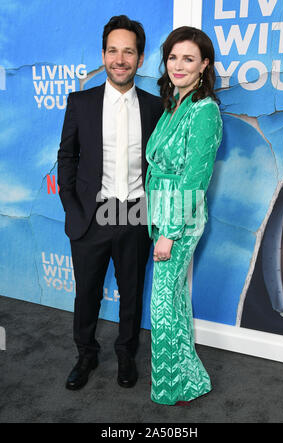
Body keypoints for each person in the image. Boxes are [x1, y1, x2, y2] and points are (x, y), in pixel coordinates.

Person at [57, 15, 163, 391]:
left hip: (135, 213)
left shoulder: (155, 107)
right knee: (86, 292)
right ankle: (85, 353)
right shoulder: (80, 102)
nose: (120, 59)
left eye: (128, 51)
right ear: (103, 55)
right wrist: (72, 205)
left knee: (131, 293)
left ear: (140, 57)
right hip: (92, 214)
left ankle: (125, 354)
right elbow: (66, 155)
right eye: (113, 50)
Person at [145, 26, 223, 405]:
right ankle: (187, 380)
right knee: (173, 302)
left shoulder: (204, 111)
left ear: (204, 64)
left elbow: (195, 180)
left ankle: (172, 385)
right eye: (173, 57)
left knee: (162, 305)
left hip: (180, 219)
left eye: (188, 58)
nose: (178, 65)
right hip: (159, 213)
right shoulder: (174, 102)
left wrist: (170, 232)